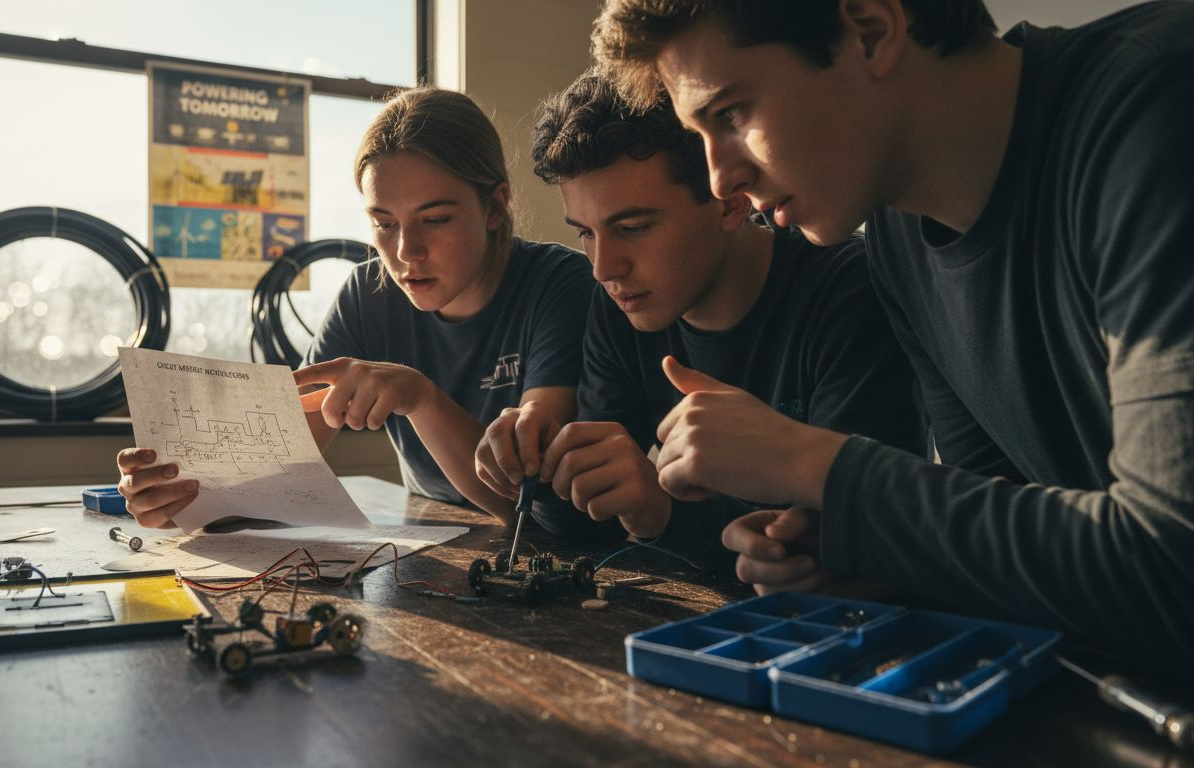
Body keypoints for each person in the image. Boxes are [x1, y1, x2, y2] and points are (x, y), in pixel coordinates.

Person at [591, 0, 1194, 661]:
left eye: (731, 115)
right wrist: (864, 557)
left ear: (871, 32)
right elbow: (1010, 553)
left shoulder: (1159, 103)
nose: (719, 178)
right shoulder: (898, 242)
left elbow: (1173, 570)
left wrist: (812, 463)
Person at [475, 70, 922, 580]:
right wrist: (540, 465)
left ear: (728, 200)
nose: (604, 268)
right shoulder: (620, 304)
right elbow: (586, 524)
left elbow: (859, 548)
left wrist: (664, 513)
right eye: (585, 234)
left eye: (634, 228)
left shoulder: (849, 293)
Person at [117, 87, 594, 526]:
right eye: (384, 223)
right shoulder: (369, 293)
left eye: (435, 219)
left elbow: (528, 504)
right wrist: (183, 497)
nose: (407, 251)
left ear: (495, 207)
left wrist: (421, 399)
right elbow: (280, 463)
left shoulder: (560, 285)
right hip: (434, 528)